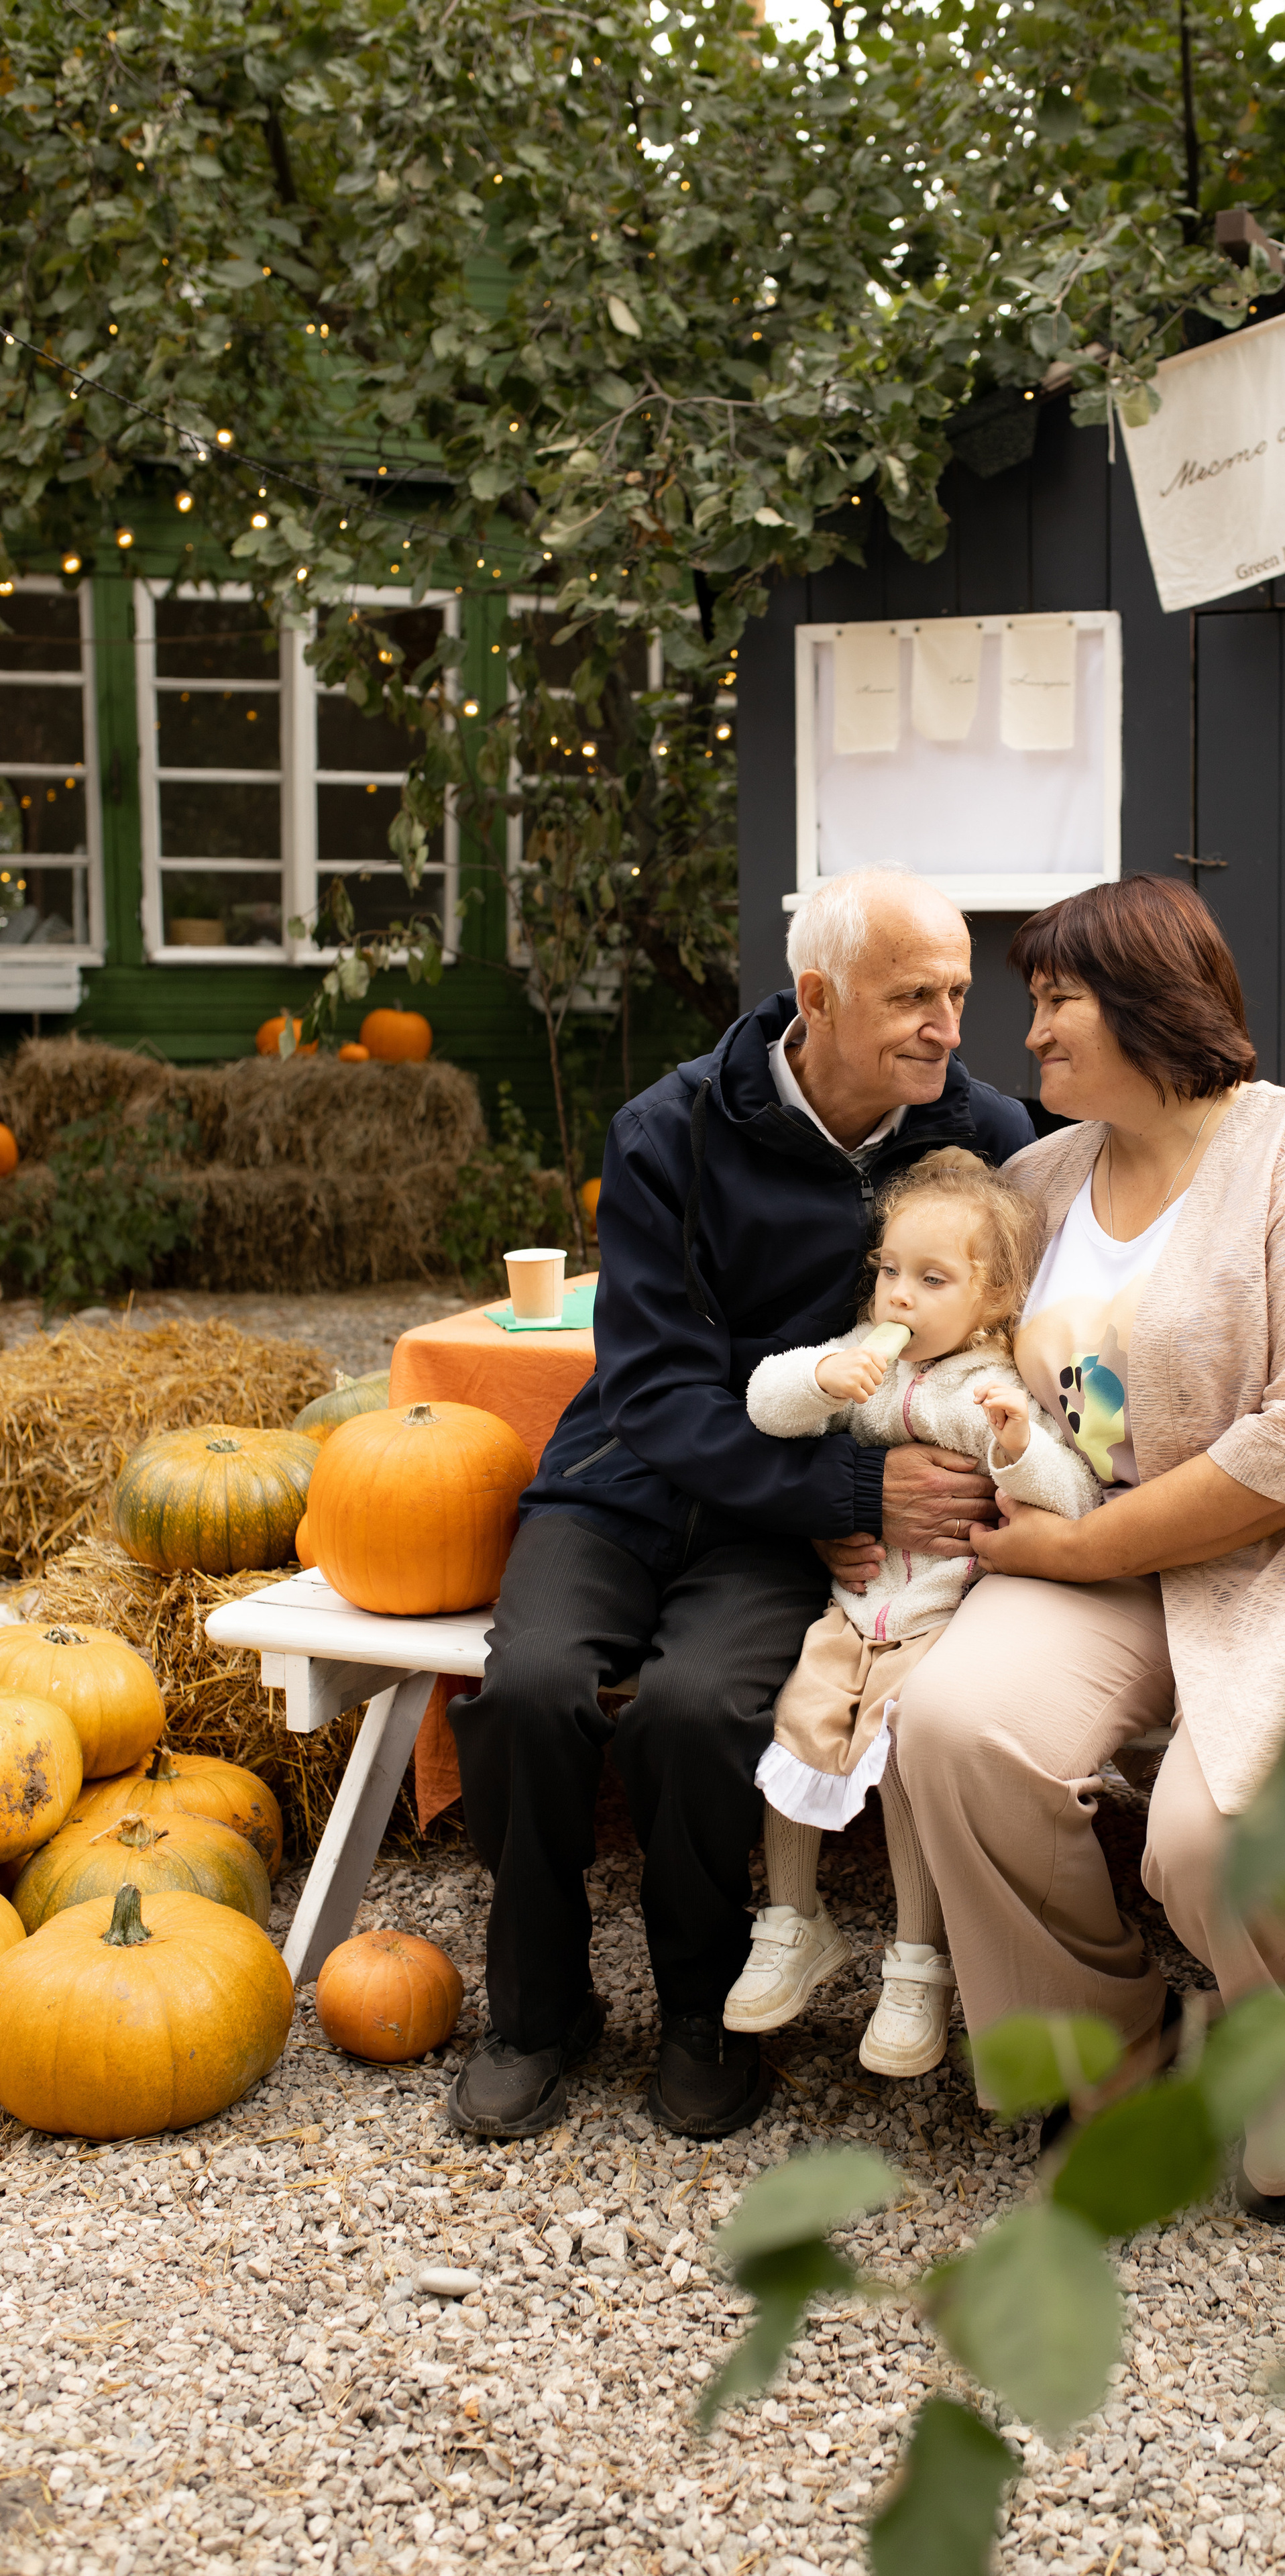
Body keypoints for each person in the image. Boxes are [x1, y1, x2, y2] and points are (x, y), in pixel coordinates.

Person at [893, 875, 1285, 2219]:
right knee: (955, 1725)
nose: (1024, 1036)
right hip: (1101, 1550)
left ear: (1149, 1001)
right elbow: (960, 1358)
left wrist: (1076, 1555)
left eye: (1053, 1002)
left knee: (1217, 1836)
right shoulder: (1037, 1179)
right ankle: (1110, 2048)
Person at [447, 867, 1035, 2141]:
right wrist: (851, 1486)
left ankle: (705, 2011)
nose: (945, 1025)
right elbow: (654, 1393)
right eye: (911, 998)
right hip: (632, 1482)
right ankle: (539, 2011)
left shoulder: (985, 1135)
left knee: (698, 1706)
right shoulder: (671, 1129)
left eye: (956, 995)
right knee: (535, 1686)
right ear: (816, 999)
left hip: (777, 1532)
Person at [725, 1147, 1101, 2078]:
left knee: (902, 1764)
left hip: (938, 1625)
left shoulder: (987, 1390)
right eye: (889, 1272)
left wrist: (1014, 1446)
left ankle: (919, 1960)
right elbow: (764, 1402)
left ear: (995, 1300)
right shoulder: (863, 1361)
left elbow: (1077, 1494)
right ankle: (790, 1919)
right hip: (849, 1616)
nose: (899, 1298)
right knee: (793, 1730)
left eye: (932, 1280)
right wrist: (820, 1382)